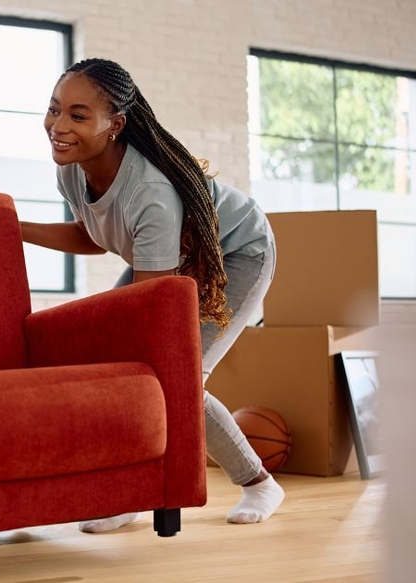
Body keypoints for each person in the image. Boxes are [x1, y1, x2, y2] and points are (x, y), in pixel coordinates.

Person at [20, 58, 284, 530]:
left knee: (177, 375)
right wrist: (15, 229)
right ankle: (136, 490)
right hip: (168, 259)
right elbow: (95, 234)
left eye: (78, 115)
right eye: (54, 109)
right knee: (124, 367)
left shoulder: (151, 193)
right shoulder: (72, 170)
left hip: (237, 253)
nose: (58, 126)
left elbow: (151, 306)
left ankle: (259, 482)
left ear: (115, 125)